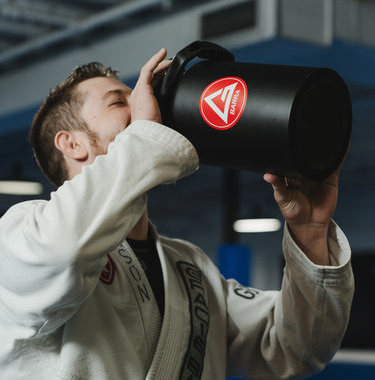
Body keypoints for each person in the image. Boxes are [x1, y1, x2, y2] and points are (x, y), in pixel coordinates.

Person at [0, 48, 353, 380]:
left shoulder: (190, 266)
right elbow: (65, 252)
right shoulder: (22, 231)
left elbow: (296, 350)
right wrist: (145, 133)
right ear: (72, 144)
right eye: (119, 101)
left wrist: (310, 231)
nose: (144, 103)